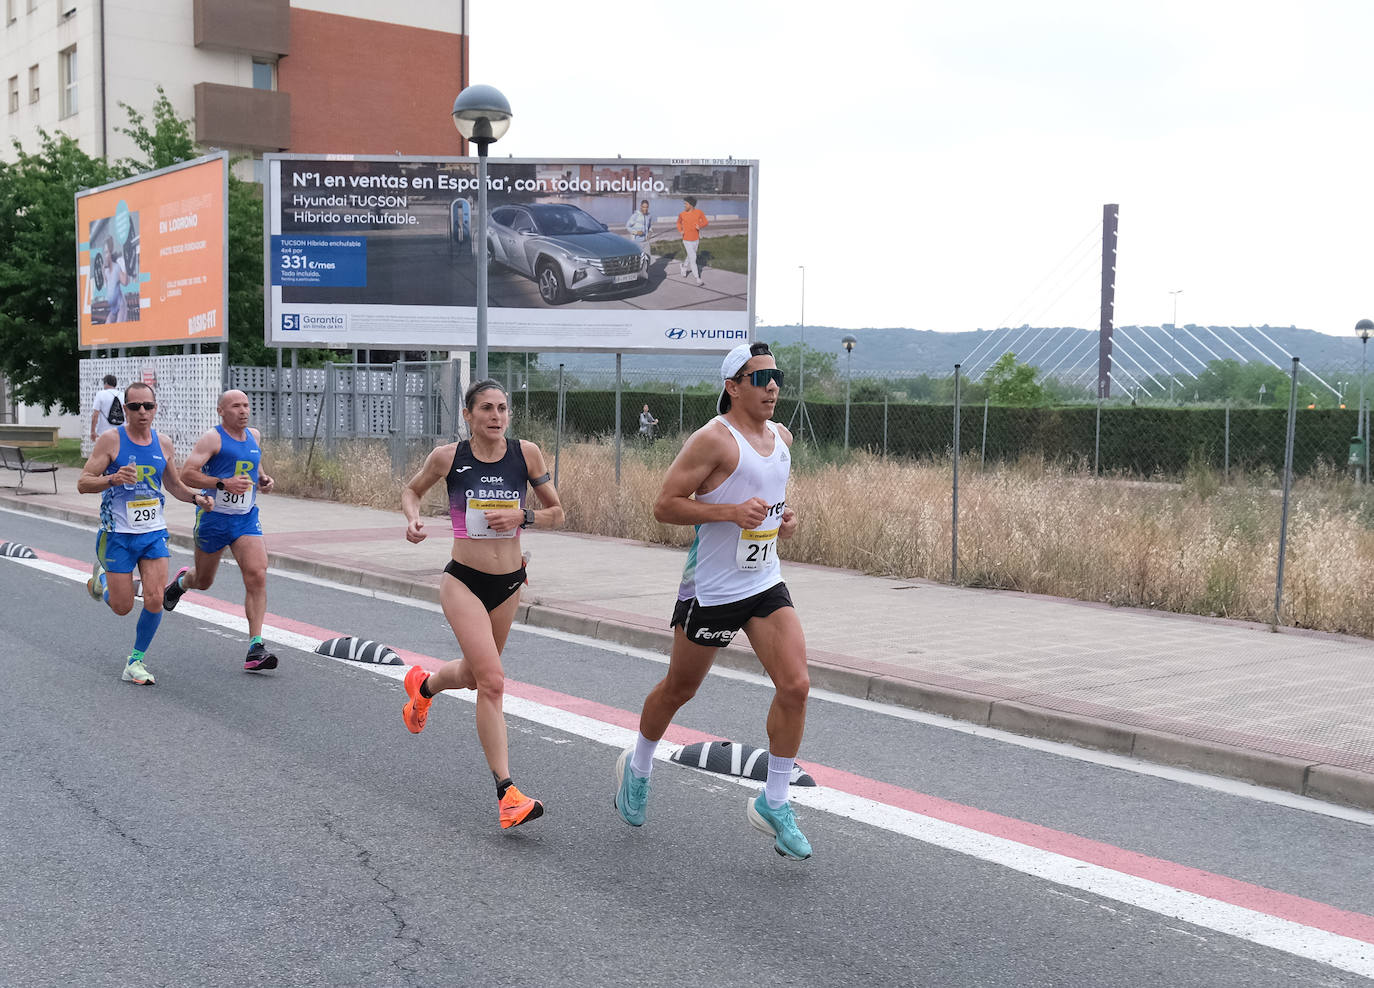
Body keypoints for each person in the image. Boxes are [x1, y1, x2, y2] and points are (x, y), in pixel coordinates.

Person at [614, 342, 813, 859]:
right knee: (680, 689)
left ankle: (774, 802)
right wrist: (728, 514)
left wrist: (783, 522)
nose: (772, 386)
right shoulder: (712, 441)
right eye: (759, 378)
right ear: (732, 386)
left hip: (764, 582)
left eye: (777, 377)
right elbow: (664, 507)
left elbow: (773, 509)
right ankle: (638, 767)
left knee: (795, 686)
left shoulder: (782, 439)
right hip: (713, 590)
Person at [399, 379, 565, 830]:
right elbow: (412, 490)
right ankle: (507, 793)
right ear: (469, 416)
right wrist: (414, 519)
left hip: (509, 584)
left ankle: (425, 686)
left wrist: (522, 515)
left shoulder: (525, 454)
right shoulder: (448, 457)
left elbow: (557, 512)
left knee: (475, 675)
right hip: (463, 582)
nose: (496, 416)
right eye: (486, 409)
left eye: (503, 408)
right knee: (492, 681)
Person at [78, 382, 213, 685]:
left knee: (155, 598)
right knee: (123, 607)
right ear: (125, 409)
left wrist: (196, 497)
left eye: (147, 406)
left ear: (155, 409)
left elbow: (174, 484)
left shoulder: (163, 443)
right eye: (135, 406)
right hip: (118, 535)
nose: (142, 411)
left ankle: (135, 661)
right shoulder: (110, 441)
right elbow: (83, 482)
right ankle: (100, 579)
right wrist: (112, 478)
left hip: (153, 532)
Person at [162, 390, 278, 672]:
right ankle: (180, 583)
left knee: (257, 573)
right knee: (203, 581)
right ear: (221, 411)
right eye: (236, 406)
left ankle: (256, 646)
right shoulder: (212, 438)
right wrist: (223, 484)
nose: (243, 410)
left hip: (245, 518)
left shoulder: (254, 435)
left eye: (246, 405)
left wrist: (262, 478)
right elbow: (187, 473)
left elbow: (253, 463)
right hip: (214, 517)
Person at [676, 196, 709, 286]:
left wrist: (700, 225)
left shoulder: (699, 212)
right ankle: (697, 278)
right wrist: (680, 230)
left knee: (691, 256)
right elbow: (678, 223)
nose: (684, 205)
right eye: (684, 204)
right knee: (693, 258)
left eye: (686, 204)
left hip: (696, 239)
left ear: (691, 205)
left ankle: (684, 266)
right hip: (686, 239)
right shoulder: (682, 214)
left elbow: (706, 222)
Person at [101, 235, 129, 324]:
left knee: (119, 331)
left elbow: (125, 282)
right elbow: (108, 287)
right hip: (113, 309)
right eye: (104, 253)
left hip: (121, 306)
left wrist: (124, 266)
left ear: (111, 253)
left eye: (107, 252)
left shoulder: (117, 267)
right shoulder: (105, 271)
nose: (105, 256)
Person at [91, 374, 122, 441]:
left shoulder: (101, 394)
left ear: (106, 383)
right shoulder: (123, 395)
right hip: (120, 431)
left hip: (104, 431)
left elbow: (95, 415)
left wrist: (93, 431)